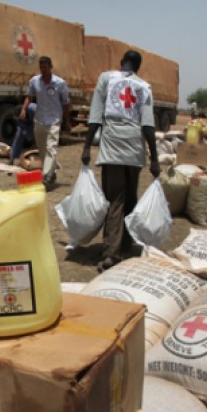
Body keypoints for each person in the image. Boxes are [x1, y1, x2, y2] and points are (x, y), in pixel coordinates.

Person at [81, 49, 160, 272]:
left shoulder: (106, 78)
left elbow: (95, 116)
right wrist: (154, 159)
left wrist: (87, 146)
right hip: (134, 149)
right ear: (138, 67)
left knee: (115, 199)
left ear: (121, 62)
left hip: (113, 148)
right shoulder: (144, 86)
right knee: (129, 196)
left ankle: (111, 253)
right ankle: (124, 243)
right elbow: (148, 125)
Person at [21, 56, 70, 188]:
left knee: (51, 147)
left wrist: (67, 121)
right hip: (40, 119)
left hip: (54, 119)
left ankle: (46, 176)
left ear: (50, 67)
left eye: (45, 67)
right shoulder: (35, 81)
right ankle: (52, 172)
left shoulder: (60, 83)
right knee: (42, 148)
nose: (43, 70)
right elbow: (30, 96)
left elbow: (65, 103)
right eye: (41, 67)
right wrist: (24, 109)